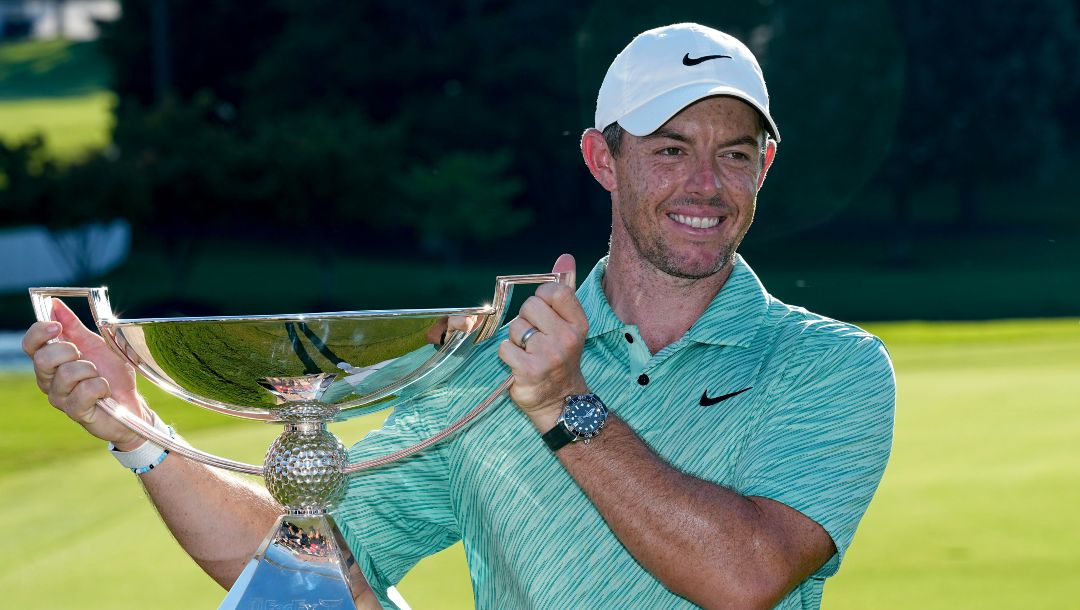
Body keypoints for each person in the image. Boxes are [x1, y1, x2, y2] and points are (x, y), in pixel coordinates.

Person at [23, 22, 895, 610]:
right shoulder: (487, 370)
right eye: (670, 150)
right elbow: (312, 569)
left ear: (764, 166)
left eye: (733, 153)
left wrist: (565, 403)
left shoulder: (828, 367)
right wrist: (136, 430)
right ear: (603, 159)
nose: (704, 184)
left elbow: (743, 577)